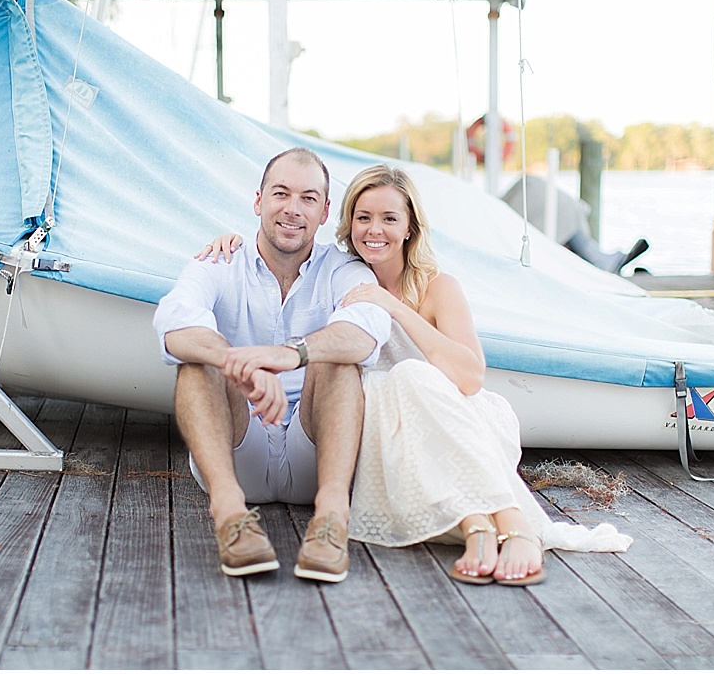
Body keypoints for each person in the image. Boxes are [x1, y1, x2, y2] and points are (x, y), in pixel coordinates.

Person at [200, 163, 632, 586]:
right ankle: (477, 524)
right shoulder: (341, 277)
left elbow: (470, 377)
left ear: (410, 227)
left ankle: (510, 521)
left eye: (390, 219)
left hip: (456, 419)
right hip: (393, 434)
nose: (375, 230)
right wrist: (234, 243)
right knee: (386, 383)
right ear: (347, 223)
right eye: (363, 218)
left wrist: (394, 308)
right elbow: (285, 250)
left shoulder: (438, 286)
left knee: (409, 376)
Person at [153, 148, 391, 583]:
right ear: (259, 200)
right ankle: (229, 517)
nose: (292, 209)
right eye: (281, 194)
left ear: (323, 212)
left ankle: (332, 517)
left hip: (314, 450)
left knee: (339, 357)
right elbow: (173, 324)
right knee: (196, 360)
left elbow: (367, 331)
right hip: (238, 448)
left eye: (308, 198)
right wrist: (241, 365)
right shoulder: (221, 261)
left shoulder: (344, 269)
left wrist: (290, 354)